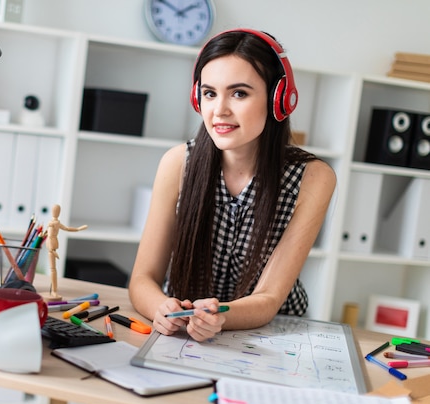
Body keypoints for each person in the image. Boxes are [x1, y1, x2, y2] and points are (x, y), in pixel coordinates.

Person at [128, 29, 336, 342]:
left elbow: (267, 299)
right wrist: (161, 308)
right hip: (183, 330)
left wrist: (218, 317)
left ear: (278, 98)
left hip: (274, 335)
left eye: (239, 93)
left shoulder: (314, 177)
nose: (220, 110)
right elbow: (143, 279)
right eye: (210, 93)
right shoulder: (177, 163)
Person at [46, 204, 87, 299]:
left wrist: (78, 229)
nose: (55, 212)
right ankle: (53, 290)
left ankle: (54, 290)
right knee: (52, 269)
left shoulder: (55, 223)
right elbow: (49, 233)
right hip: (50, 244)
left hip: (52, 244)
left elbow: (67, 229)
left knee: (53, 269)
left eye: (56, 211)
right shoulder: (52, 223)